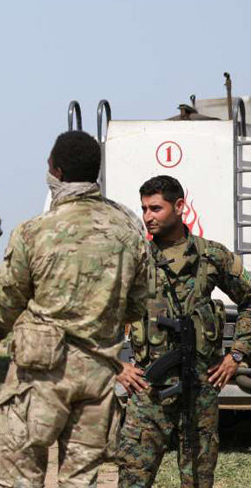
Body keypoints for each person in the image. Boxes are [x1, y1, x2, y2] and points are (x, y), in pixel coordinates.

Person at [0, 130, 150, 487]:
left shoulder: (33, 231)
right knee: (81, 479)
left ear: (56, 172)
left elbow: (12, 301)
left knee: (19, 475)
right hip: (98, 373)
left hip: (40, 373)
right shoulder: (128, 228)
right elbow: (137, 305)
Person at [117, 175, 251, 488]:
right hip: (148, 392)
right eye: (144, 209)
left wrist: (236, 354)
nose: (148, 216)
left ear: (179, 206)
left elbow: (249, 300)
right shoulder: (134, 259)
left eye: (156, 208)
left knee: (198, 481)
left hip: (199, 390)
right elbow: (97, 314)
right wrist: (116, 365)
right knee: (133, 480)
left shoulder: (211, 256)